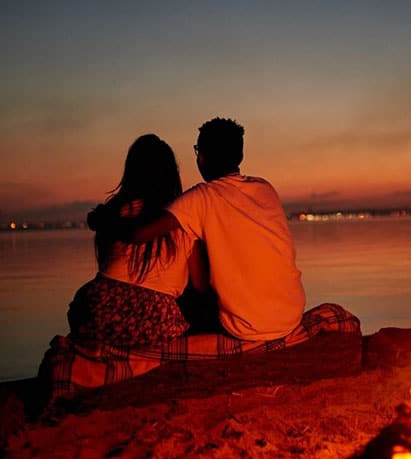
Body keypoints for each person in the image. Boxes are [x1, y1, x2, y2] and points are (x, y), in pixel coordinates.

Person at [38, 134, 209, 398]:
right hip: (155, 321)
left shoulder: (113, 214)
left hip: (100, 310)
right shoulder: (181, 218)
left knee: (81, 302)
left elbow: (106, 262)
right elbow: (199, 285)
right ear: (171, 174)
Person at [129, 117, 307, 343]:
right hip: (291, 316)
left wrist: (104, 220)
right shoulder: (264, 188)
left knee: (190, 260)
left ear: (201, 157)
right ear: (239, 156)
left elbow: (140, 234)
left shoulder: (201, 198)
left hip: (248, 328)